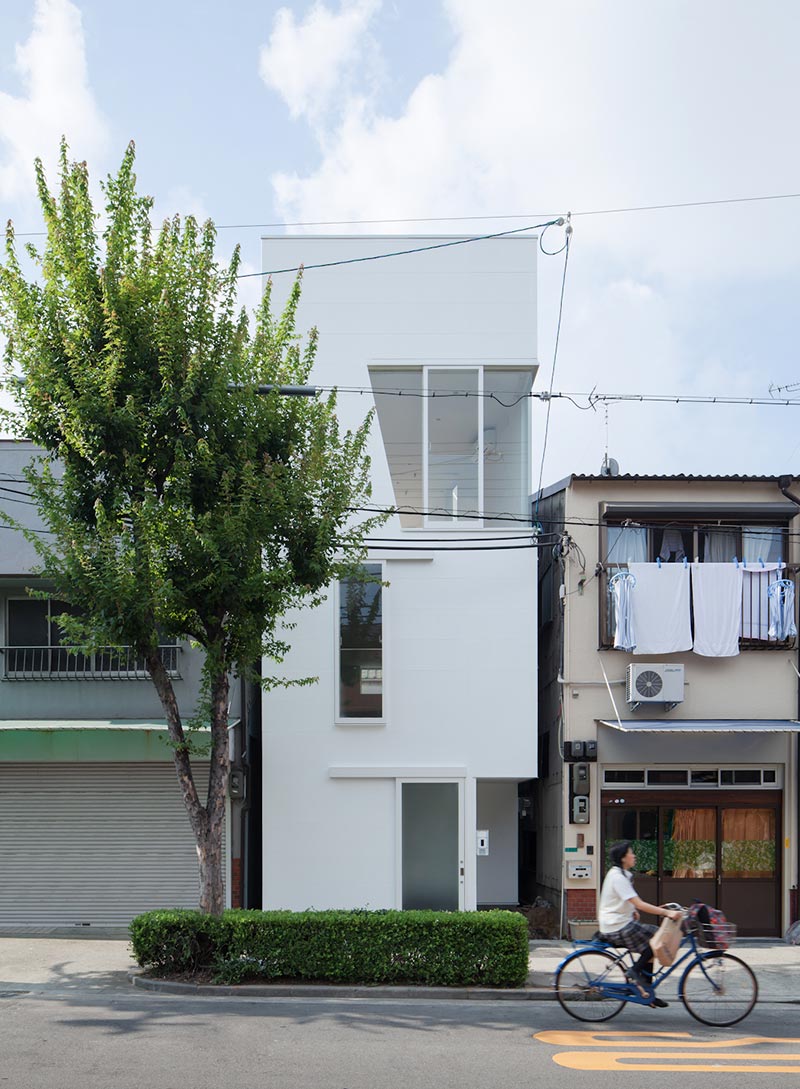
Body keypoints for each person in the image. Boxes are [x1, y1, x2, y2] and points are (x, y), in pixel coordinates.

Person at [598, 840, 683, 1008]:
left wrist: (632, 911)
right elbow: (640, 903)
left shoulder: (623, 875)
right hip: (616, 926)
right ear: (623, 858)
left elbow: (625, 900)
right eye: (631, 852)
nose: (634, 855)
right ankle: (635, 971)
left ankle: (647, 991)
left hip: (620, 922)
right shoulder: (617, 877)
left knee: (652, 946)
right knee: (658, 936)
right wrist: (667, 912)